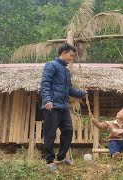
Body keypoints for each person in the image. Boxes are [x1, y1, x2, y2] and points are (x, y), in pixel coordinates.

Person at [40, 43, 87, 172]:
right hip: (52, 105)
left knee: (68, 130)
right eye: (71, 55)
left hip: (63, 107)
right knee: (50, 134)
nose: (72, 58)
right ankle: (49, 161)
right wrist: (47, 100)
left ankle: (61, 158)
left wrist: (82, 93)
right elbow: (45, 84)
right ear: (64, 53)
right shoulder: (51, 65)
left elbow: (69, 89)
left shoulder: (66, 71)